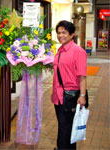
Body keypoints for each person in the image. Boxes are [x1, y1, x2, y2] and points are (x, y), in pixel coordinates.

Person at [52, 20, 87, 150]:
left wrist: (82, 96)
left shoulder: (78, 52)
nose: (60, 35)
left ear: (72, 34)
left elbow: (82, 76)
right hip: (58, 96)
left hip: (70, 96)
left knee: (66, 129)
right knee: (64, 127)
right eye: (59, 33)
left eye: (64, 33)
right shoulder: (60, 50)